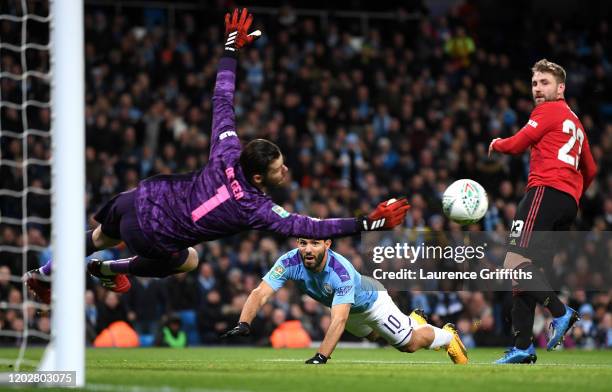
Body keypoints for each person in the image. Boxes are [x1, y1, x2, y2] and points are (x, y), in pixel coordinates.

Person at [24, 9, 410, 304]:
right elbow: (312, 227)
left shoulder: (227, 150)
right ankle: (107, 268)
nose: (285, 169)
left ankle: (43, 275)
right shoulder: (255, 209)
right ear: (258, 178)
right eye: (279, 168)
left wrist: (230, 48)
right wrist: (369, 225)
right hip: (150, 235)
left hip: (139, 198)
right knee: (188, 260)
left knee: (95, 237)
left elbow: (222, 96)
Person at [488, 59, 597, 363]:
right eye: (535, 83)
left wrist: (497, 143)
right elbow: (591, 168)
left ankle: (561, 313)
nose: (538, 89)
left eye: (544, 83)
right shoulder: (576, 122)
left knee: (512, 262)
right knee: (526, 273)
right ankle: (523, 347)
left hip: (544, 192)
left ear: (560, 88)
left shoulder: (548, 110)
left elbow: (517, 144)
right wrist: (573, 192)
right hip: (566, 203)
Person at [221, 238, 468, 365]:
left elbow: (339, 319)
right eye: (303, 242)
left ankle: (448, 337)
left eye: (315, 243)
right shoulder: (288, 261)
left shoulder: (341, 271)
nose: (307, 249)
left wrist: (321, 357)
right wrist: (244, 322)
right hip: (348, 309)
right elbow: (260, 292)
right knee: (374, 337)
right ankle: (412, 321)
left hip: (373, 303)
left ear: (327, 244)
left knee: (408, 345)